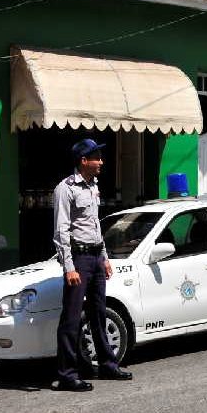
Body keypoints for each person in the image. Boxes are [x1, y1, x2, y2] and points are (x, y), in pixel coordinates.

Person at [51, 138, 132, 391]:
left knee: (99, 312)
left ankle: (107, 364)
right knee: (72, 318)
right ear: (83, 160)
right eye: (96, 157)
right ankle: (67, 374)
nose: (101, 162)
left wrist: (105, 258)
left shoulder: (94, 186)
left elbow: (96, 225)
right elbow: (61, 231)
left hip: (96, 257)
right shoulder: (65, 188)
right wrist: (69, 267)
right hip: (79, 259)